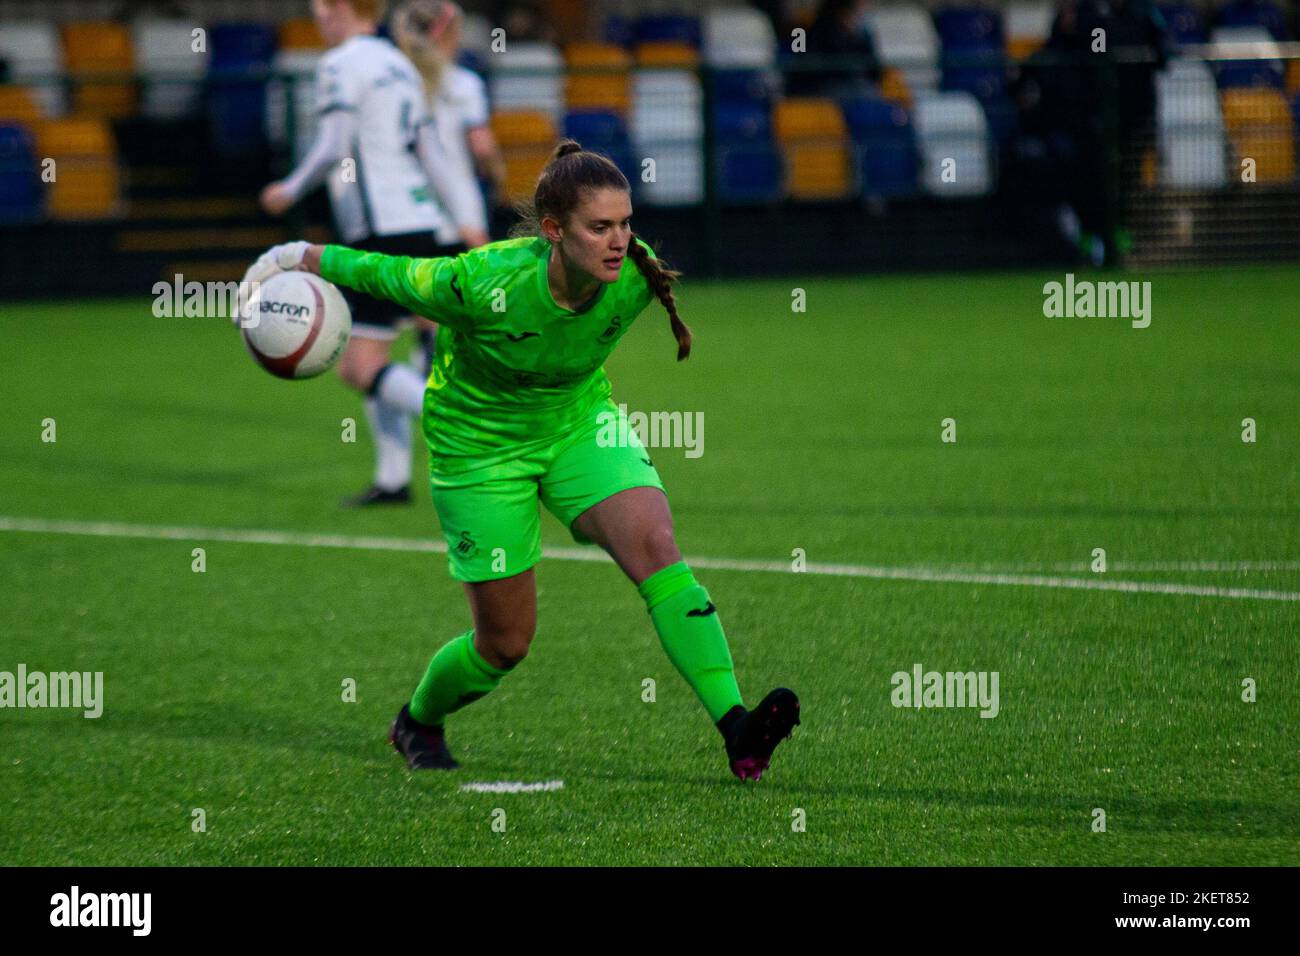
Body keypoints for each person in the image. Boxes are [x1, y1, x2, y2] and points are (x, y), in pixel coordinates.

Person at [240, 141, 801, 781]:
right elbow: (380, 271)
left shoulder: (637, 278)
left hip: (575, 426)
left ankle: (738, 730)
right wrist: (287, 257)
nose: (619, 241)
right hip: (478, 451)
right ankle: (417, 720)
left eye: (625, 224)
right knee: (505, 644)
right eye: (600, 227)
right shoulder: (479, 281)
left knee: (657, 546)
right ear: (556, 231)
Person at [257, 0, 489, 506]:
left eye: (322, 4)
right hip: (422, 223)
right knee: (385, 358)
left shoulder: (341, 63)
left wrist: (290, 188)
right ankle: (393, 479)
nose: (316, 14)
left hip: (379, 232)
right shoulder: (397, 62)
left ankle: (461, 422)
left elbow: (333, 143)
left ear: (342, 7)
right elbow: (432, 154)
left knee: (358, 367)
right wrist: (468, 220)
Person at [391, 0, 506, 382]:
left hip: (409, 208)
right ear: (444, 34)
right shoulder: (465, 84)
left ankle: (426, 365)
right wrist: (497, 172)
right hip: (459, 207)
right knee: (473, 299)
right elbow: (481, 145)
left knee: (426, 297)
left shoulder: (397, 81)